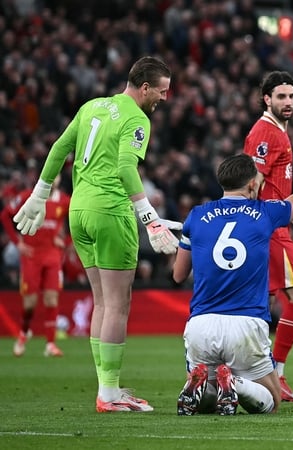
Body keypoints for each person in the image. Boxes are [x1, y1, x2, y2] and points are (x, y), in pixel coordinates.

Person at [13, 56, 181, 413]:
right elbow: (124, 169)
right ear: (145, 87)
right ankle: (109, 393)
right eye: (162, 92)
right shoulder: (137, 118)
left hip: (79, 211)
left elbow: (60, 148)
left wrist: (39, 194)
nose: (164, 99)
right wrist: (149, 217)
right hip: (110, 212)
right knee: (118, 304)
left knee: (102, 302)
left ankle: (108, 388)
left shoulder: (92, 106)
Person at [172, 137, 293, 415]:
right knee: (272, 401)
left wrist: (181, 244)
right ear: (252, 184)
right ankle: (237, 383)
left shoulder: (196, 215)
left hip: (201, 325)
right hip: (245, 324)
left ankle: (202, 384)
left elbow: (179, 275)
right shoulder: (264, 213)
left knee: (209, 398)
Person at [242, 70, 293, 403]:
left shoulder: (277, 132)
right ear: (267, 99)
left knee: (264, 303)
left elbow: (278, 191)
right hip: (269, 230)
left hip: (277, 226)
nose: (288, 102)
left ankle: (258, 373)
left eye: (291, 96)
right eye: (281, 97)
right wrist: (254, 226)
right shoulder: (266, 133)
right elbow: (252, 185)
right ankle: (273, 373)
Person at [1, 174, 70, 357]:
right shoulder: (27, 196)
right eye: (51, 176)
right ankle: (24, 334)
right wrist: (18, 243)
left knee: (51, 299)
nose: (54, 180)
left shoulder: (64, 201)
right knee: (30, 304)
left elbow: (80, 221)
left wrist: (67, 240)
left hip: (53, 255)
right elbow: (5, 216)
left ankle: (50, 344)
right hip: (31, 255)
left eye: (57, 177)